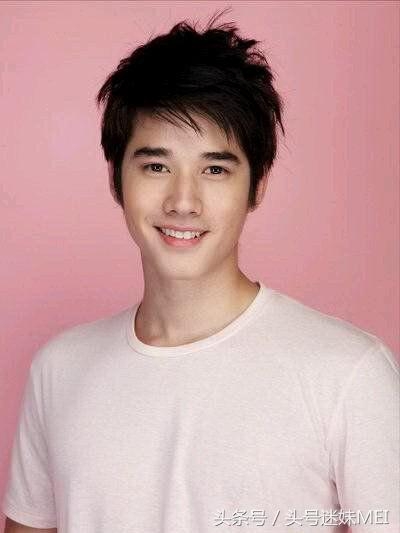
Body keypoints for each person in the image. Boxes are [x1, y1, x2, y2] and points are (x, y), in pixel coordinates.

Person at [2, 11, 399, 533]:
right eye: (156, 166)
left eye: (215, 169)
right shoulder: (59, 369)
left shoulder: (348, 373)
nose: (183, 201)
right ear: (116, 178)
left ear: (257, 185)